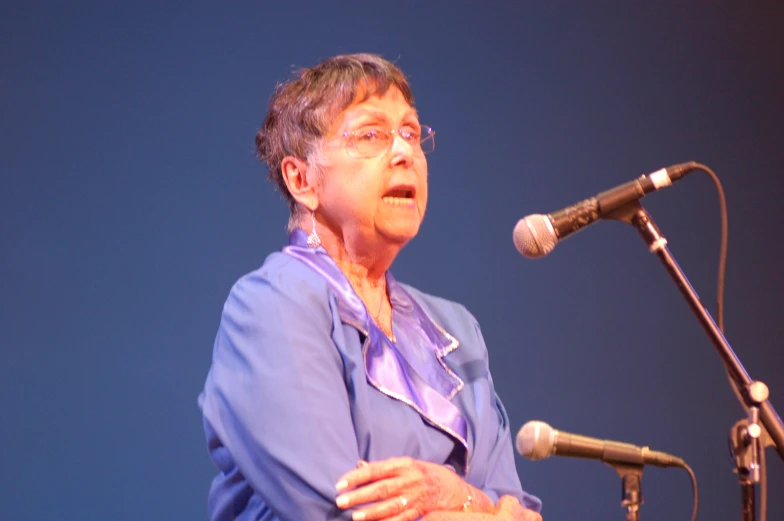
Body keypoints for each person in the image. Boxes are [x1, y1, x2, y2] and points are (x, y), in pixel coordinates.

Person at [198, 53, 542, 521]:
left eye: (411, 133)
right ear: (302, 180)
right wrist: (482, 508)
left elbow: (519, 510)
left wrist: (456, 495)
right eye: (372, 135)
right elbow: (341, 508)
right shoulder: (271, 304)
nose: (403, 152)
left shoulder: (455, 328)